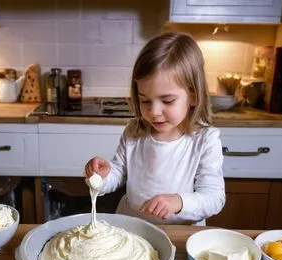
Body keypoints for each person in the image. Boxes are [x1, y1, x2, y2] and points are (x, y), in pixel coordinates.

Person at [84, 32, 225, 225]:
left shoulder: (205, 140)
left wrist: (179, 202)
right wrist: (104, 176)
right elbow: (118, 174)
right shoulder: (135, 131)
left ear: (193, 95)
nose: (154, 112)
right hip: (131, 226)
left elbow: (214, 198)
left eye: (167, 100)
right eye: (145, 100)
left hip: (179, 233)